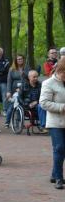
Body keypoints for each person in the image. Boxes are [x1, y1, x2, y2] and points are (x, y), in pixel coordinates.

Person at [40, 57, 65, 189]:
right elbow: (43, 103)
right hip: (55, 121)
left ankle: (54, 174)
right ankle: (59, 178)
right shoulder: (48, 83)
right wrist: (62, 107)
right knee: (59, 148)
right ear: (59, 70)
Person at [5, 54, 30, 128]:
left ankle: (19, 122)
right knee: (14, 105)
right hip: (14, 89)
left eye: (21, 59)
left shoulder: (27, 68)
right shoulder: (12, 69)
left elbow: (30, 78)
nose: (20, 60)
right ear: (15, 60)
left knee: (20, 105)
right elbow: (9, 81)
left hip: (24, 89)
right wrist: (8, 91)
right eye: (18, 59)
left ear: (23, 59)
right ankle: (8, 121)